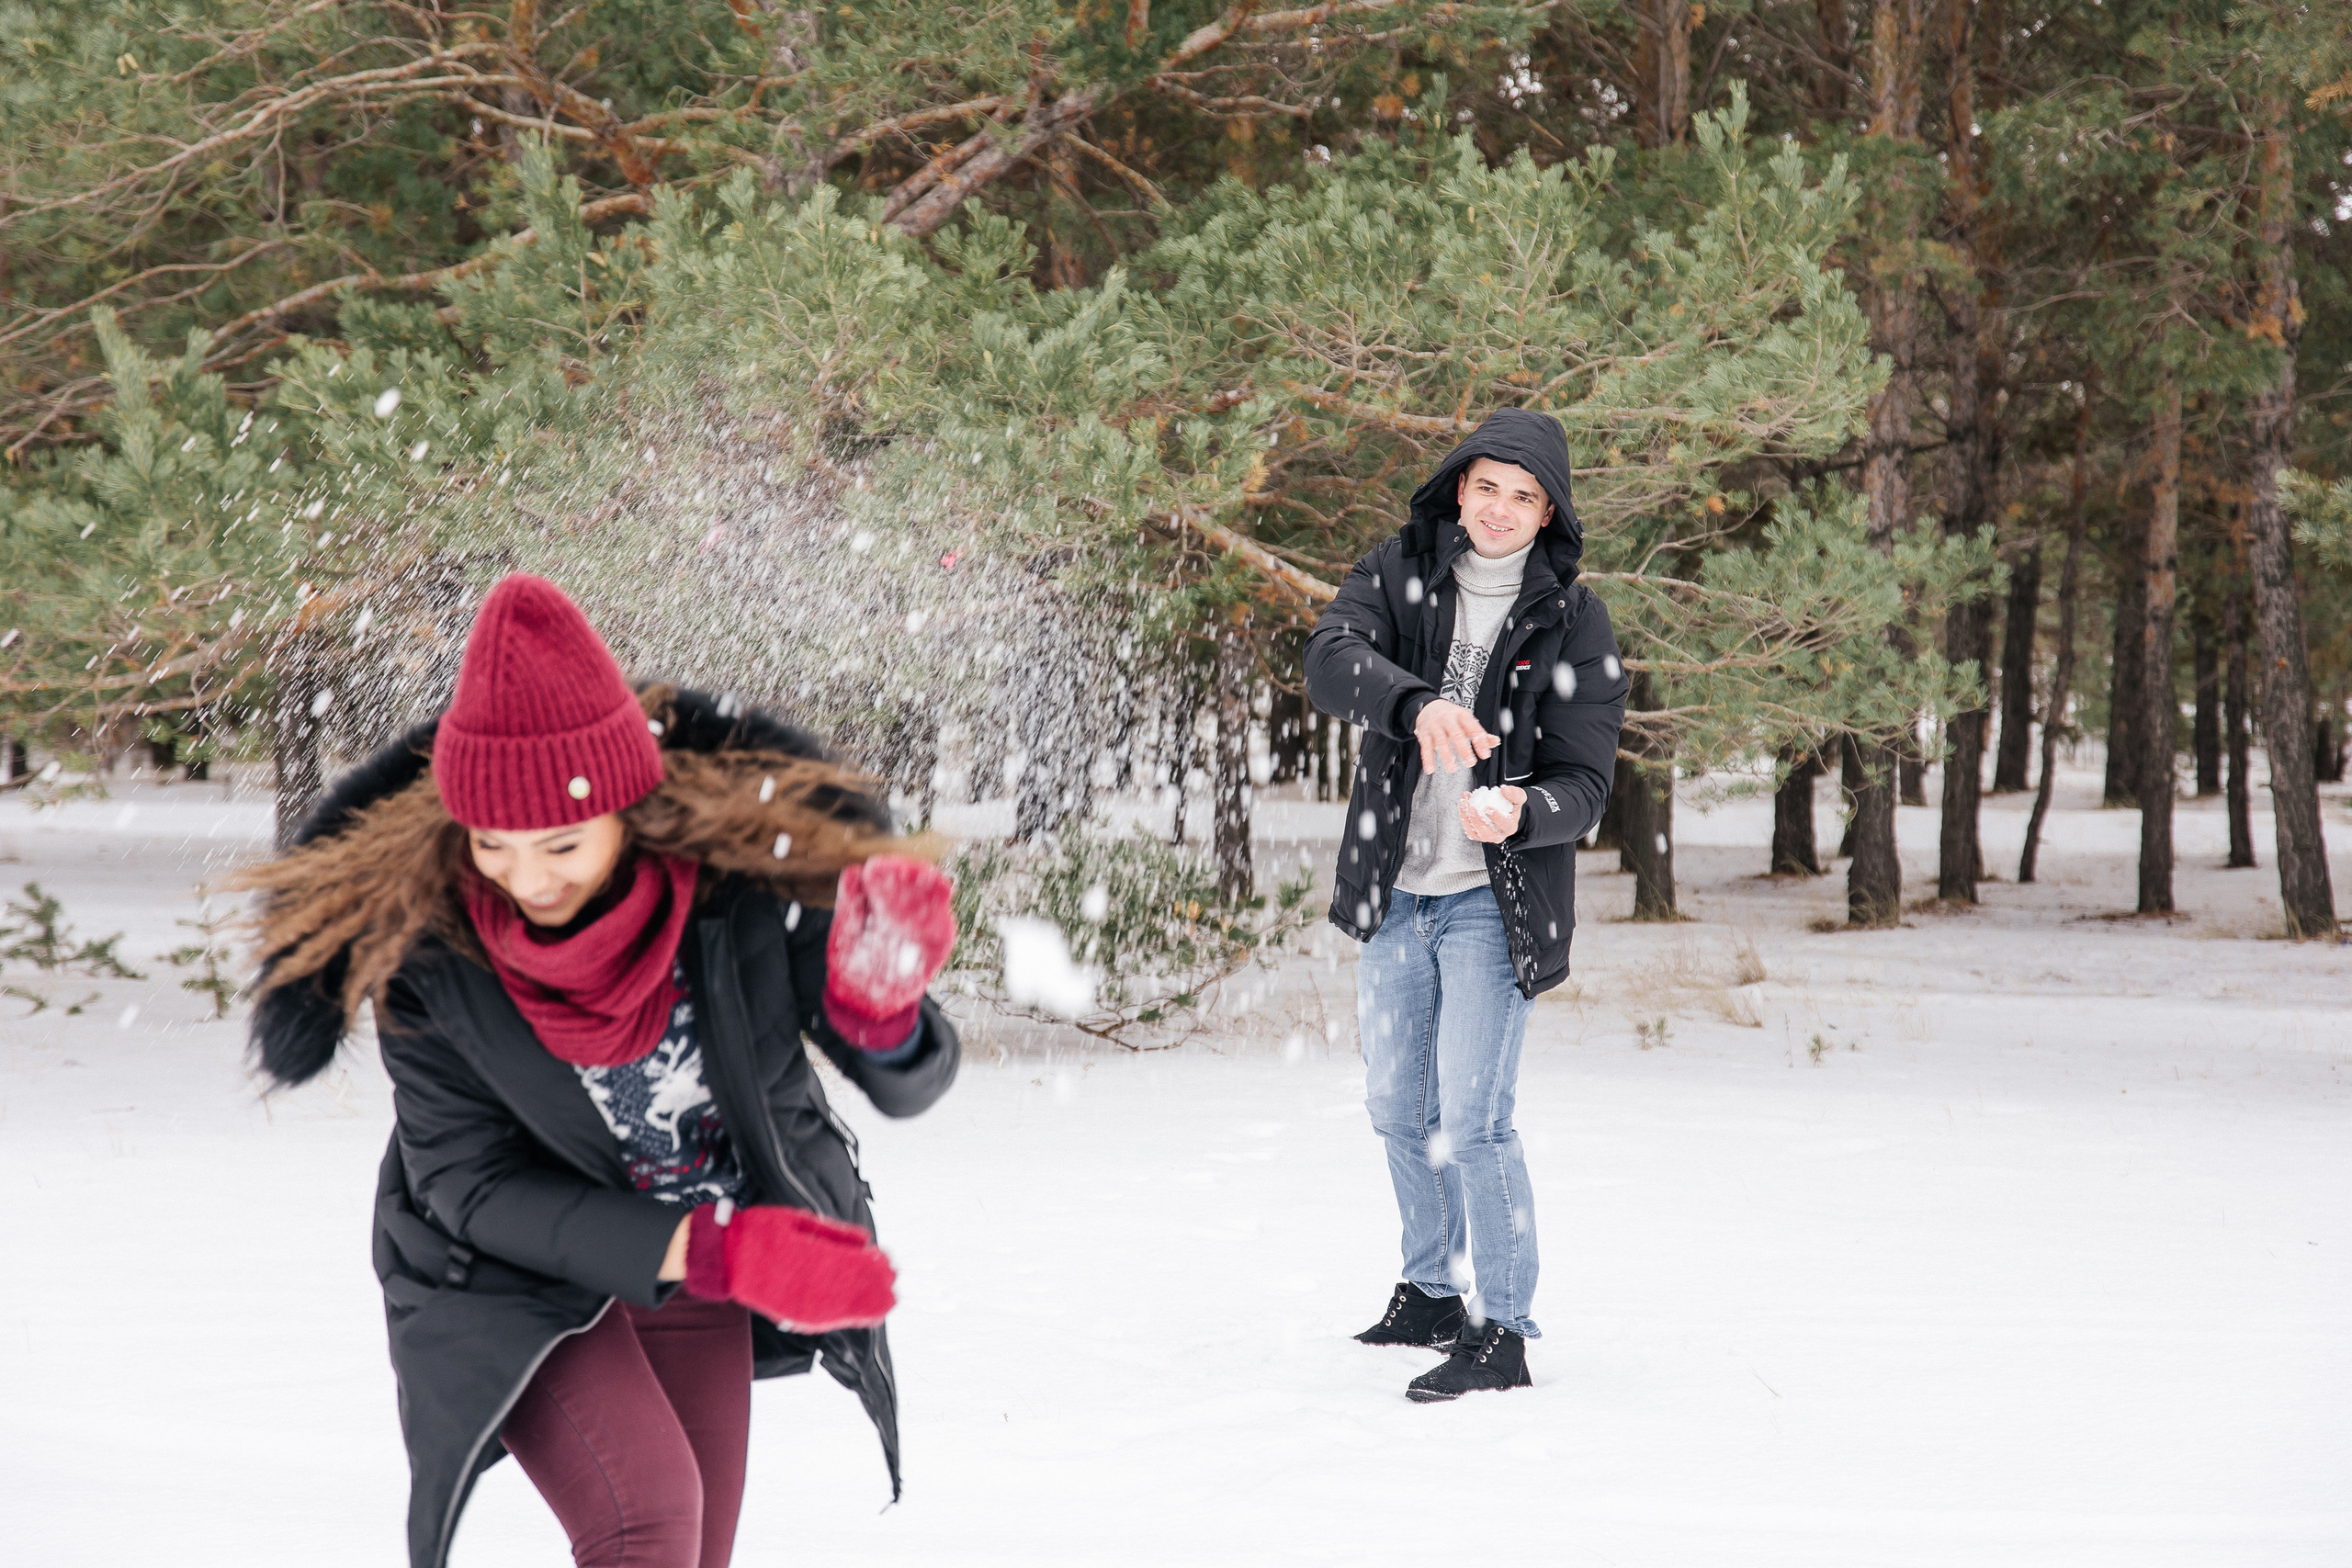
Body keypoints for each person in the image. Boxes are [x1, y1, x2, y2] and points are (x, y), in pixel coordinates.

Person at [236, 574, 960, 1568]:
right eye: (493, 843)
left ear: (629, 807)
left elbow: (904, 1084)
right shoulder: (430, 953)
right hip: (505, 1268)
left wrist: (881, 1015)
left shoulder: (740, 893)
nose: (527, 880)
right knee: (646, 1520)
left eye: (562, 843)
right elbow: (467, 1185)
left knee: (695, 1544)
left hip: (695, 1252)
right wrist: (717, 1252)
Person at [1304, 408, 1627, 1402]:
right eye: (1487, 485)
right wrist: (1414, 702)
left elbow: (1586, 784)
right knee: (1398, 1109)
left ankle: (1505, 1330)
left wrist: (1524, 808)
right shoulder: (1399, 568)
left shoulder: (1575, 621)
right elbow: (1329, 657)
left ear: (1548, 514)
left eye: (1523, 495)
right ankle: (1430, 1289)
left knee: (1475, 1121)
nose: (1499, 508)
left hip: (1494, 902)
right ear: (1459, 486)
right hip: (1397, 892)